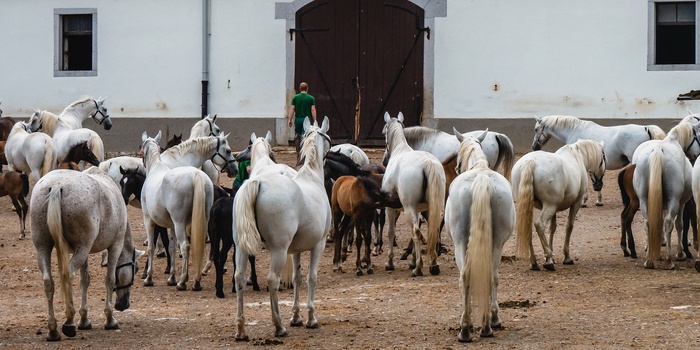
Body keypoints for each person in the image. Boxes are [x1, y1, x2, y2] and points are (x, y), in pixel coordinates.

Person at [287, 82, 317, 162]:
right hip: (306, 120)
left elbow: (292, 109)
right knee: (305, 137)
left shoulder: (295, 98)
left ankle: (298, 154)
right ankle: (305, 155)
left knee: (298, 136)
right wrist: (315, 120)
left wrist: (290, 119)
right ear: (307, 88)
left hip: (298, 119)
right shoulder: (311, 98)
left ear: (300, 88)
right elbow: (313, 109)